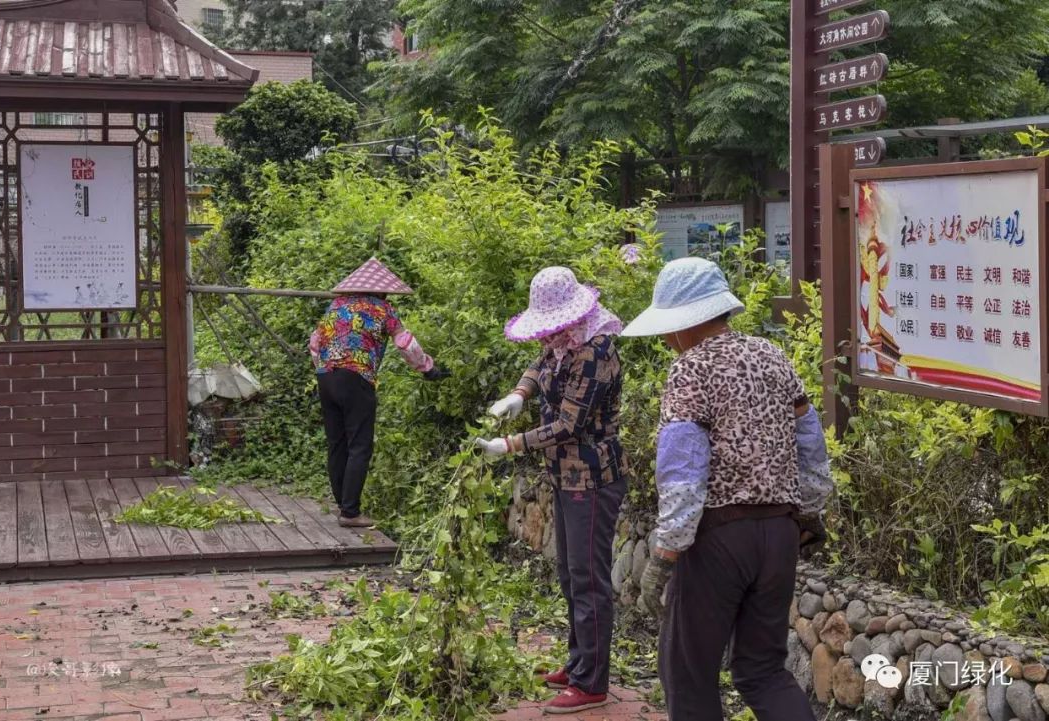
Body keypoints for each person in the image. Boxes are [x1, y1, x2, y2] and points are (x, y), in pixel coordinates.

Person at [623, 257, 834, 721]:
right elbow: (810, 438)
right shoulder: (771, 354)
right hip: (779, 534)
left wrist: (667, 551)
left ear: (684, 324)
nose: (665, 339)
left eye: (667, 328)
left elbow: (682, 466)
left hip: (718, 539)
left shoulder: (690, 369)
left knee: (689, 674)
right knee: (762, 671)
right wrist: (811, 509)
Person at [477, 266, 627, 715]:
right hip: (564, 474)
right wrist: (518, 394)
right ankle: (579, 661)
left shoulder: (594, 351)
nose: (549, 336)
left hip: (594, 476)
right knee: (568, 573)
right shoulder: (562, 344)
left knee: (588, 579)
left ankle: (592, 683)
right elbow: (538, 364)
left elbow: (569, 424)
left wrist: (510, 444)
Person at [309, 257, 449, 528]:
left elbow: (314, 345)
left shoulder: (335, 306)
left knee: (337, 444)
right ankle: (350, 513)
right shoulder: (383, 309)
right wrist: (428, 369)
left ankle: (343, 505)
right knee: (359, 445)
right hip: (356, 377)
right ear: (382, 290)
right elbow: (405, 343)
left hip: (325, 377)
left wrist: (327, 369)